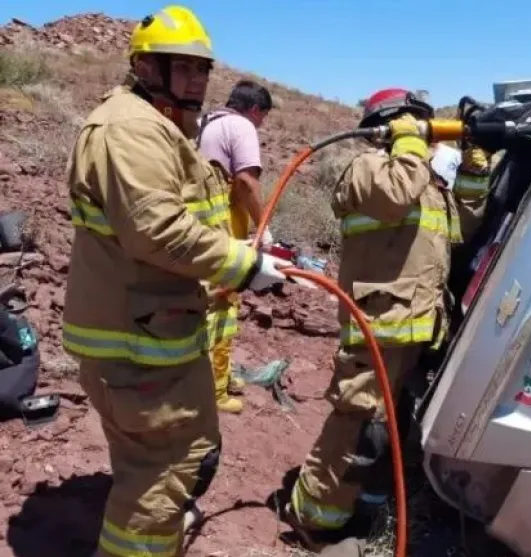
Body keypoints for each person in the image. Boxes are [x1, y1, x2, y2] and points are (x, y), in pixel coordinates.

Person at [61, 6, 288, 556]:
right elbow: (156, 231)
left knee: (159, 464)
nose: (197, 79)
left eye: (202, 69)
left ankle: (146, 529)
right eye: (182, 67)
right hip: (136, 347)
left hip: (154, 333)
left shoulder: (162, 127)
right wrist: (244, 265)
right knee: (169, 466)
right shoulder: (130, 129)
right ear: (144, 66)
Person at [276, 87, 492, 555]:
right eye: (414, 121)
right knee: (355, 424)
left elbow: (462, 229)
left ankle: (366, 508)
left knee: (388, 433)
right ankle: (310, 518)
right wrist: (411, 143)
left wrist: (475, 169)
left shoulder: (425, 180)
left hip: (418, 326)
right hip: (379, 326)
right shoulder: (365, 170)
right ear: (389, 126)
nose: (426, 132)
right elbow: (396, 195)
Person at [196, 79, 275, 414]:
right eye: (263, 117)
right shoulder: (241, 126)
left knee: (220, 304)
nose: (261, 124)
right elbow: (245, 181)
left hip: (206, 227)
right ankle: (214, 391)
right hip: (226, 227)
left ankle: (222, 375)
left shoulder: (207, 123)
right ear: (255, 110)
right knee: (223, 307)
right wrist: (264, 228)